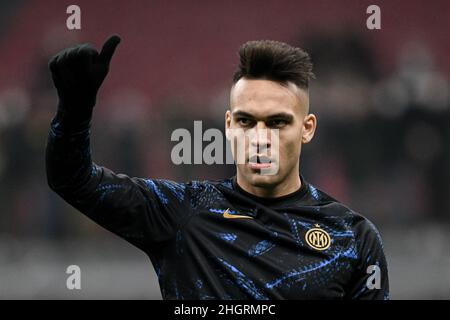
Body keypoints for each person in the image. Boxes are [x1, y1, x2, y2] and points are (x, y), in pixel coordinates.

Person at [46, 35, 389, 299]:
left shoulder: (353, 238)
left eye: (277, 122)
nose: (259, 137)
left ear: (307, 128)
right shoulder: (181, 212)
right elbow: (72, 179)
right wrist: (74, 113)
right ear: (228, 126)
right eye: (246, 121)